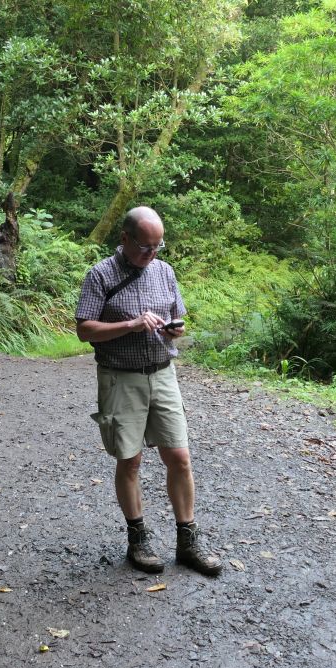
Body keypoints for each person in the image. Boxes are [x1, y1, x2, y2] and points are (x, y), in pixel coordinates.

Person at [74, 206, 222, 576]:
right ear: (124, 239)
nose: (151, 254)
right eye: (145, 247)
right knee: (131, 460)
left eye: (158, 246)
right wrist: (131, 324)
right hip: (120, 377)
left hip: (163, 373)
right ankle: (137, 539)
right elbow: (84, 330)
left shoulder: (164, 271)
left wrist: (175, 329)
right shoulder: (101, 275)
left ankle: (187, 541)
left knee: (180, 457)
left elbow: (179, 317)